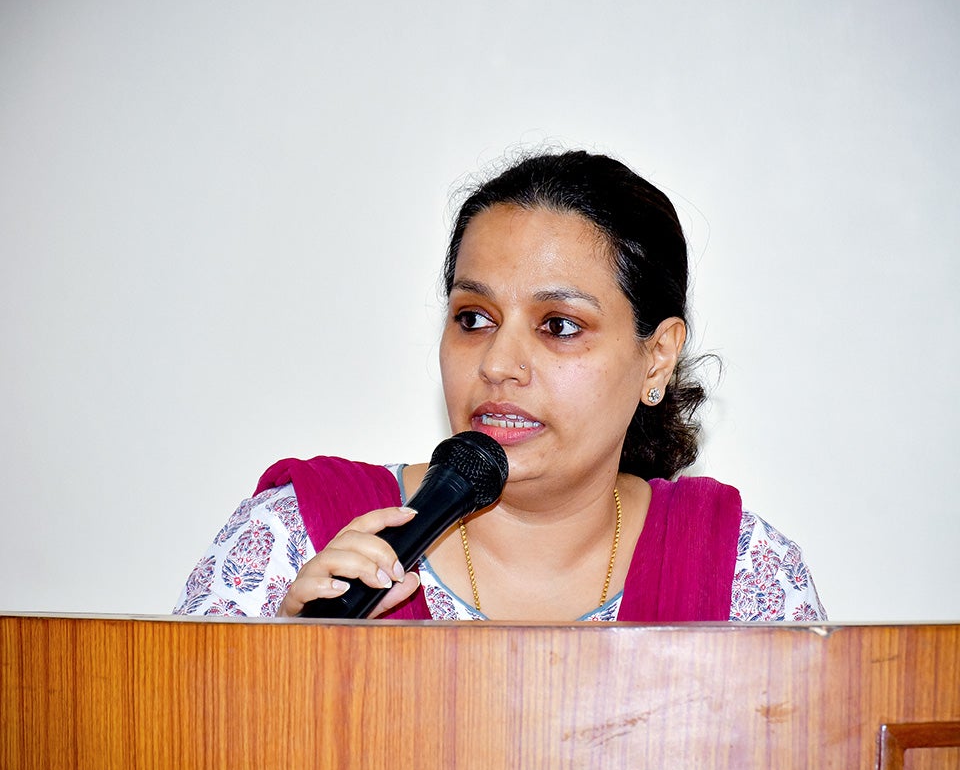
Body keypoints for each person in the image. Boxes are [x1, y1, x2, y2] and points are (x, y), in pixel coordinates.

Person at [174, 150, 826, 622]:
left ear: (656, 358)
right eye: (474, 318)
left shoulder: (739, 573)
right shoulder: (299, 535)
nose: (498, 363)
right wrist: (278, 669)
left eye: (559, 324)